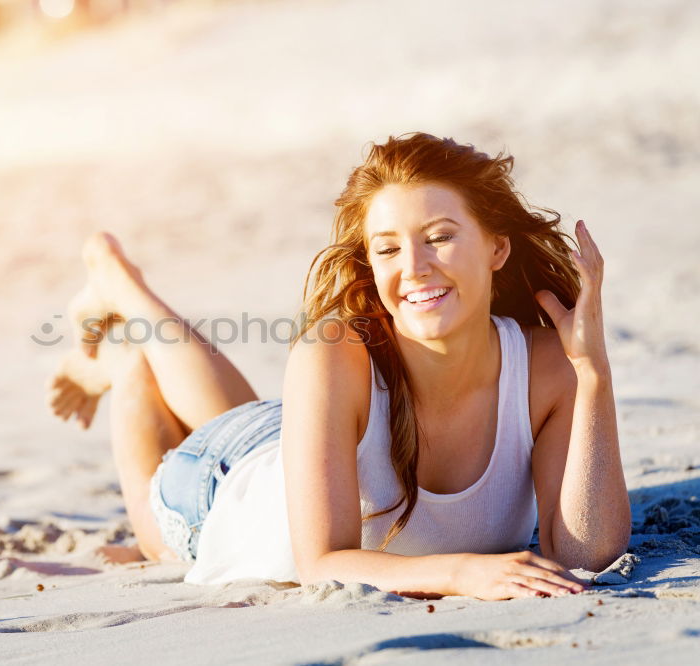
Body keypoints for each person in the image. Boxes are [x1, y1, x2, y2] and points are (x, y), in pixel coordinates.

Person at [45, 132, 631, 601]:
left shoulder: (549, 366)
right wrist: (461, 574)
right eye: (389, 248)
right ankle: (120, 344)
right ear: (371, 265)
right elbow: (320, 562)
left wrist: (594, 374)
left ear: (496, 248)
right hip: (217, 489)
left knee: (251, 422)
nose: (417, 267)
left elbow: (585, 554)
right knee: (146, 396)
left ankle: (121, 291)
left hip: (297, 440)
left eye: (440, 236)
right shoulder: (331, 353)